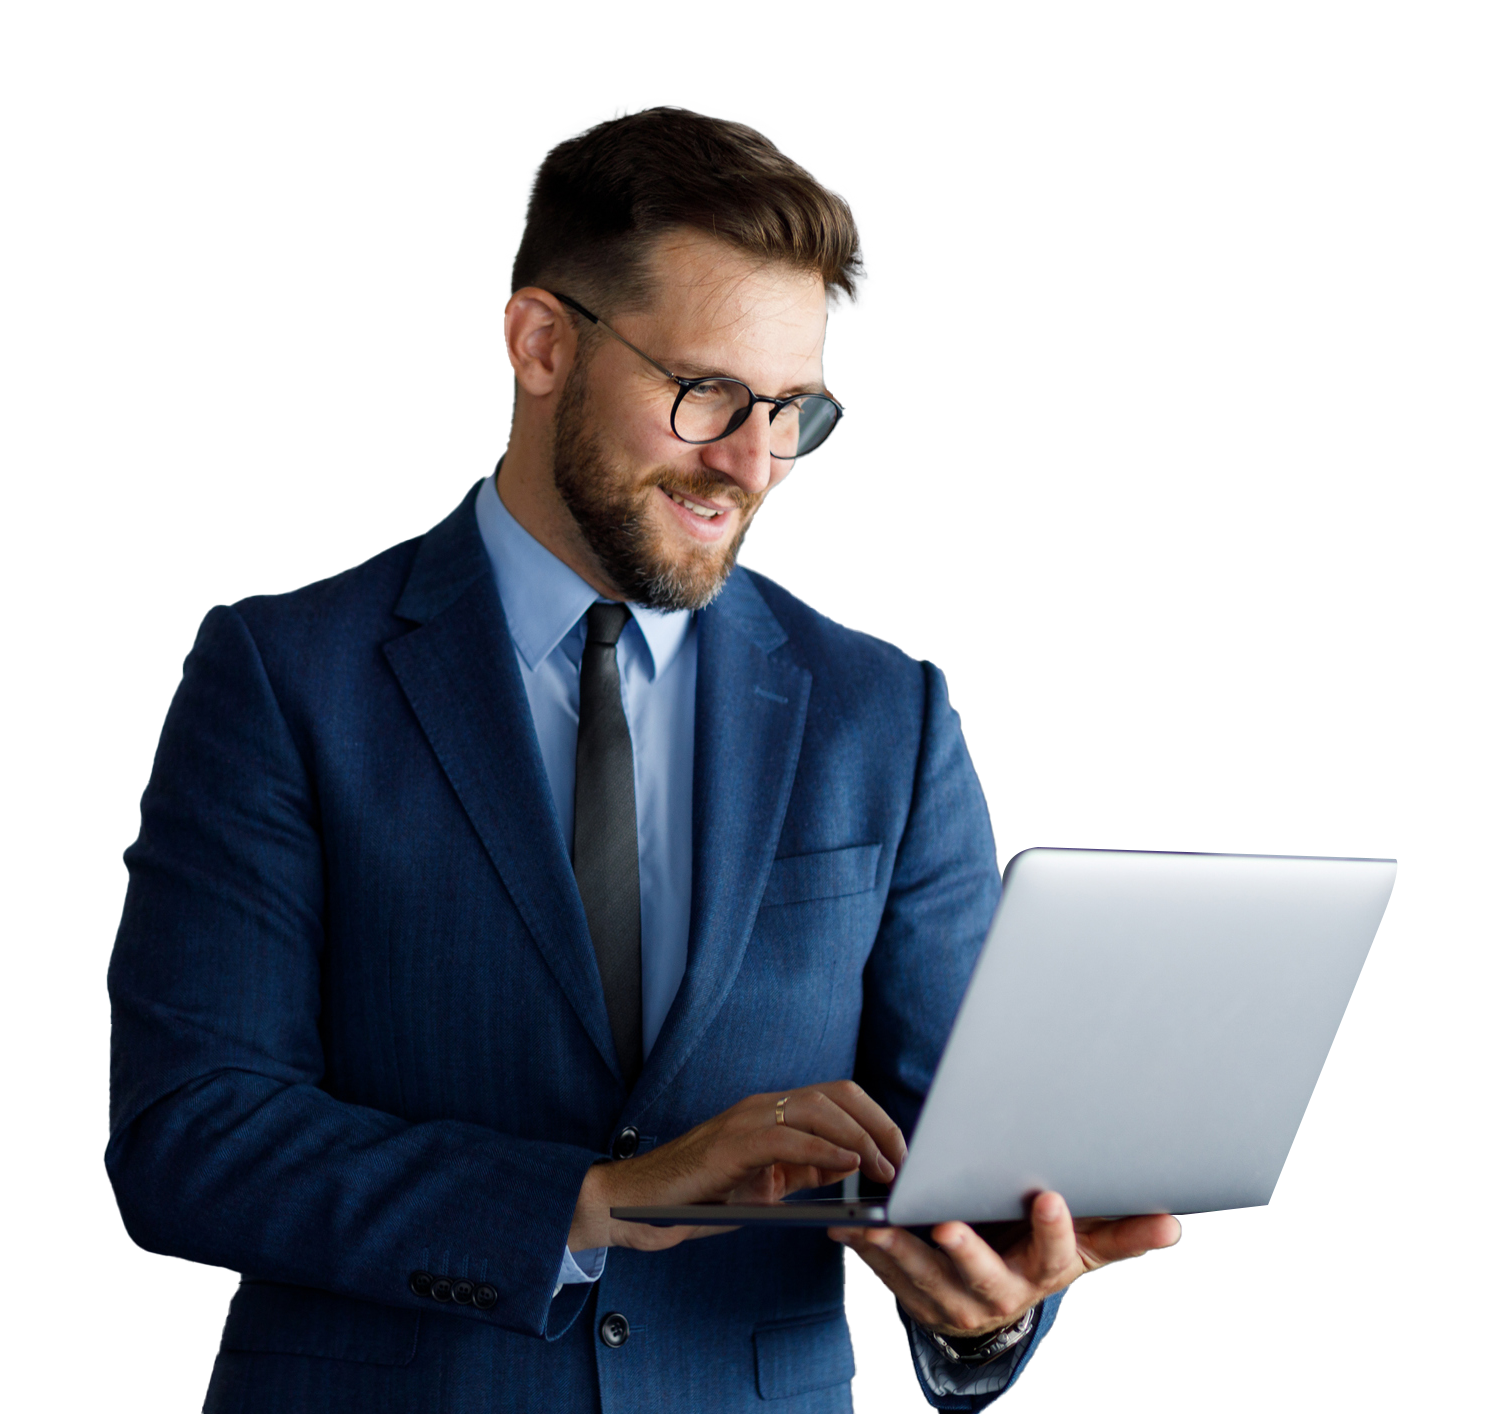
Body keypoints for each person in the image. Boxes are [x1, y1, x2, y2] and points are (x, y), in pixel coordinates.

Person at [106, 106, 1179, 1414]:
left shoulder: (881, 716)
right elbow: (192, 1136)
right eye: (708, 392)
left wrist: (984, 1307)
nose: (749, 462)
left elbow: (953, 1152)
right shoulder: (284, 679)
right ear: (542, 341)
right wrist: (590, 1202)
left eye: (793, 410)